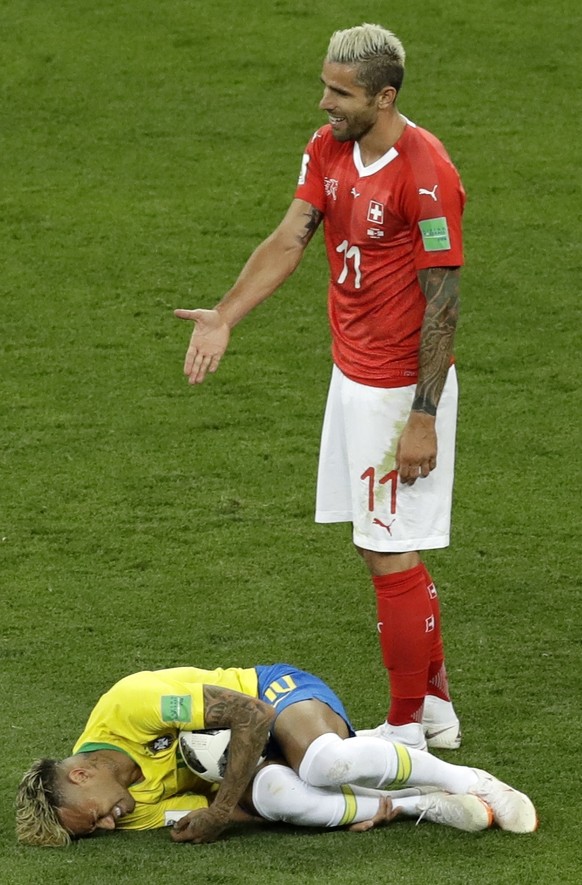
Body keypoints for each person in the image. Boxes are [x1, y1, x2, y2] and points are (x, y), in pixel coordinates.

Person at [175, 23, 466, 751]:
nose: (324, 102)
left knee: (389, 551)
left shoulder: (426, 175)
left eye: (340, 92)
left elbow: (445, 303)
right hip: (352, 375)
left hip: (398, 388)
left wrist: (422, 418)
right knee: (381, 545)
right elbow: (291, 236)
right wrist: (225, 315)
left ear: (385, 95)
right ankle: (431, 705)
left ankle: (405, 729)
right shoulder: (328, 148)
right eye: (325, 85)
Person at [16, 664, 537, 846]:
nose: (110, 826)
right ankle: (412, 801)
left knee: (323, 764)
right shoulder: (128, 813)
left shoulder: (130, 707)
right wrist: (240, 810)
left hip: (271, 694)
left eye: (94, 817)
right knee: (278, 792)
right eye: (97, 831)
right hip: (244, 761)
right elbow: (243, 809)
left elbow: (252, 716)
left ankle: (470, 779)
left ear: (81, 774)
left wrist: (218, 811)